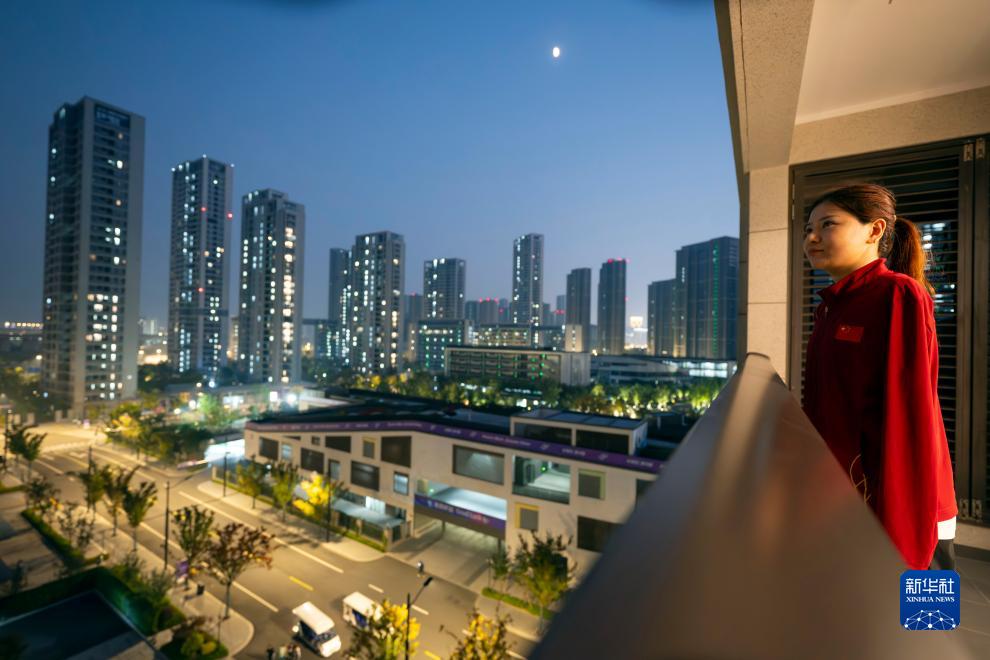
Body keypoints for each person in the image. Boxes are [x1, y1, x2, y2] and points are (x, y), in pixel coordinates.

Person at [801, 183, 957, 571]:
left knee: (925, 607)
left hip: (909, 504)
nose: (812, 238)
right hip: (851, 499)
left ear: (875, 230)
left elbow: (910, 416)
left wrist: (902, 535)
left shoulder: (898, 295)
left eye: (828, 224)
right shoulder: (830, 308)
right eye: (808, 229)